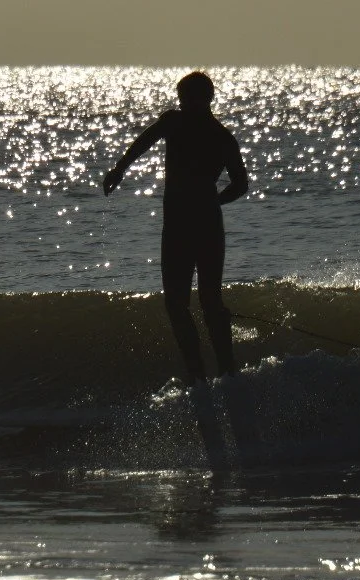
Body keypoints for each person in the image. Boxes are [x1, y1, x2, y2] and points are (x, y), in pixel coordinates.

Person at [103, 71, 250, 383]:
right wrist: (215, 202)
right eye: (181, 99)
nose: (182, 104)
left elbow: (241, 184)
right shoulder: (217, 134)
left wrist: (120, 169)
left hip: (185, 224)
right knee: (191, 300)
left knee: (192, 301)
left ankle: (211, 373)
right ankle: (212, 372)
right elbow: (240, 185)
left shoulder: (185, 125)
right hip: (203, 221)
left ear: (202, 98)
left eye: (186, 98)